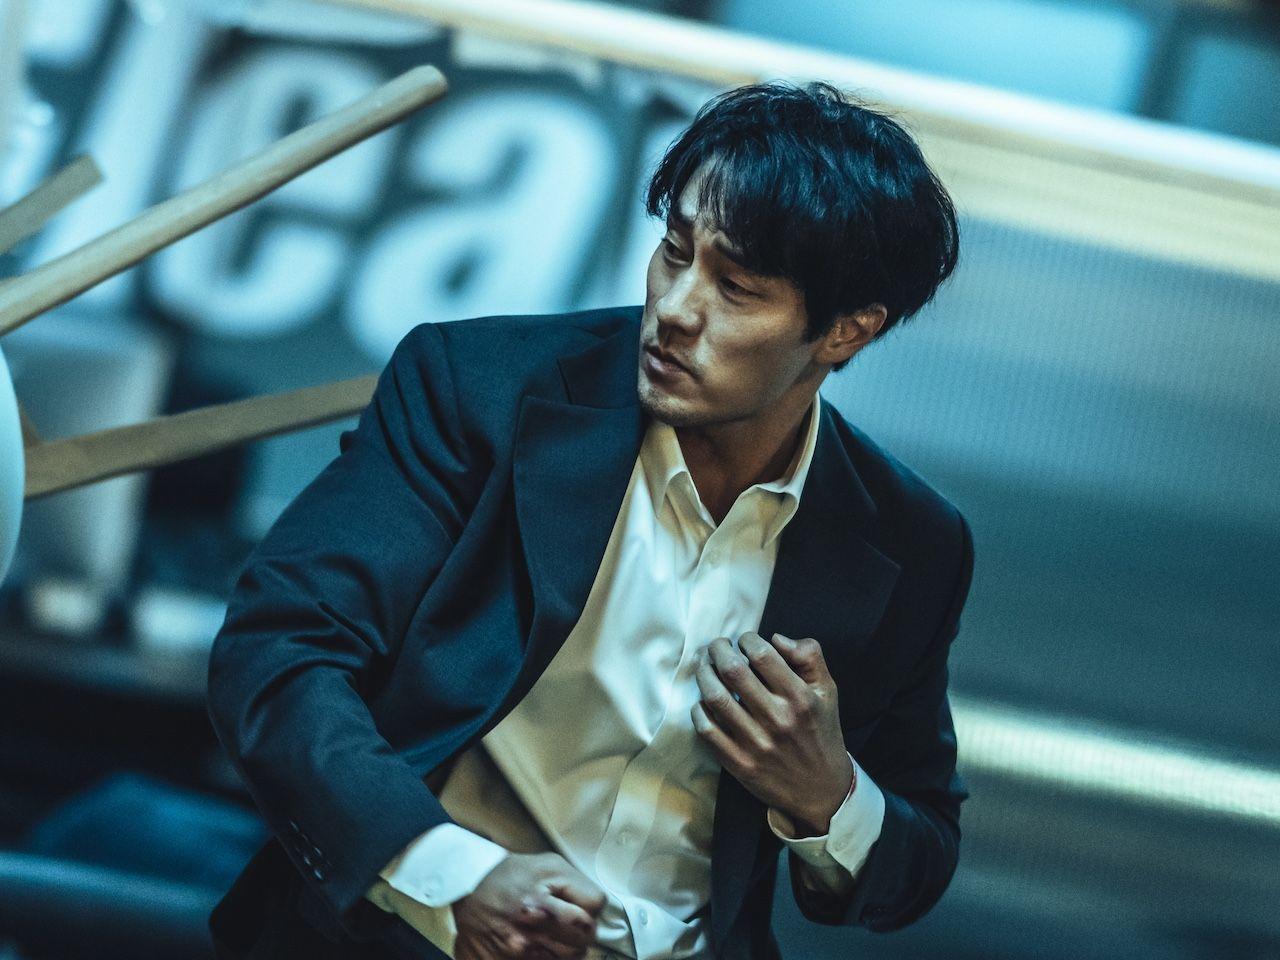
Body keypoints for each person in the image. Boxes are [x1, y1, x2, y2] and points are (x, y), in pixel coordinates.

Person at [206, 79, 974, 960]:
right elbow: (280, 651)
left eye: (736, 288)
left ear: (846, 332)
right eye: (675, 252)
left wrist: (828, 793)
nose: (676, 308)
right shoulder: (478, 389)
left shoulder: (912, 542)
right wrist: (453, 874)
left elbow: (920, 856)